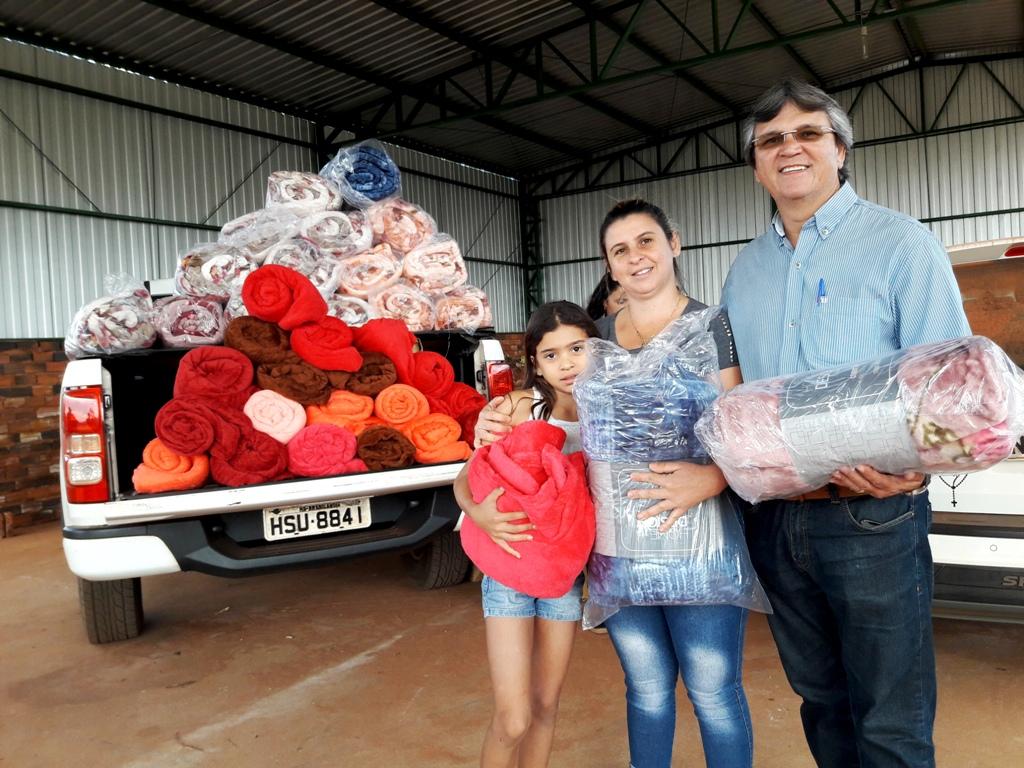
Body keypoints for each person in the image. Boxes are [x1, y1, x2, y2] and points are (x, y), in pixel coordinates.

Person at [722, 79, 971, 768]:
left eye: (808, 133)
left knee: (891, 720)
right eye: (771, 140)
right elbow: (735, 396)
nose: (789, 148)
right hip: (776, 521)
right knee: (822, 705)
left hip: (873, 517)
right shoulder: (744, 272)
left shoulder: (901, 245)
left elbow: (949, 379)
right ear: (756, 165)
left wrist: (917, 468)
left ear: (840, 150)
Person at [473, 199, 753, 768]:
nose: (636, 257)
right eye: (620, 250)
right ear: (609, 264)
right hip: (618, 553)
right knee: (647, 691)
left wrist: (714, 477)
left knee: (712, 692)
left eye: (646, 241)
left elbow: (742, 424)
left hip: (699, 541)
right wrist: (495, 417)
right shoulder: (593, 342)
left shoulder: (713, 326)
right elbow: (547, 405)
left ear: (674, 244)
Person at [453, 300, 598, 768]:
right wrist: (477, 512)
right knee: (513, 718)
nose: (566, 364)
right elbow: (467, 475)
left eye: (577, 348)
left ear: (596, 347)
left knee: (545, 707)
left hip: (563, 578)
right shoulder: (519, 407)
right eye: (551, 354)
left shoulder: (608, 408)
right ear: (534, 362)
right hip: (510, 569)